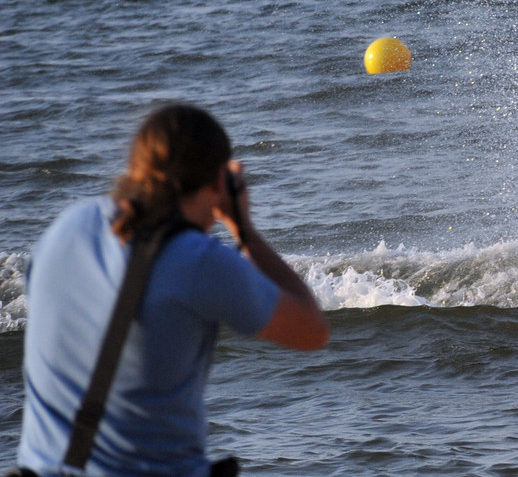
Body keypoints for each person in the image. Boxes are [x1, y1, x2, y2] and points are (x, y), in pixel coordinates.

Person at [17, 105, 330, 476]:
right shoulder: (197, 260)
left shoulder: (65, 228)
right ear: (217, 184)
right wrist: (244, 231)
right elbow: (311, 330)